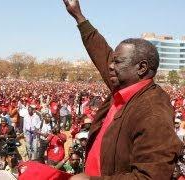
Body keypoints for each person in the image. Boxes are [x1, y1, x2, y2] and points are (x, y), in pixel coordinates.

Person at [62, 0, 183, 179]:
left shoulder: (153, 111)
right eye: (112, 61)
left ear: (141, 68)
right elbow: (101, 53)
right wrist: (79, 17)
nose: (110, 66)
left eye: (117, 62)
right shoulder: (125, 86)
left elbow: (150, 177)